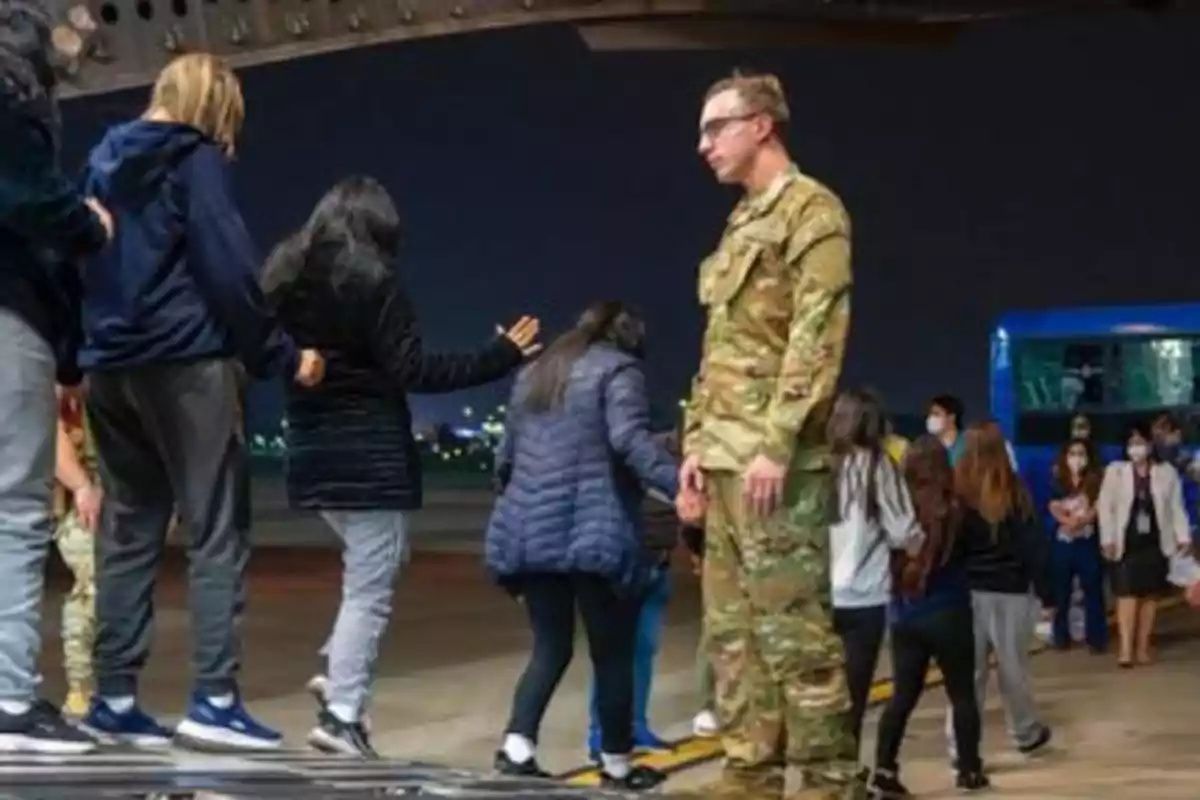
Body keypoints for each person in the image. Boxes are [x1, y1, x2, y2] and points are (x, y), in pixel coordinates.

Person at [76, 52, 324, 751]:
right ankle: (214, 699)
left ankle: (115, 698)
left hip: (109, 366)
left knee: (128, 529)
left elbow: (77, 254)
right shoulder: (194, 159)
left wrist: (82, 350)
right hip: (185, 363)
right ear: (213, 107)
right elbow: (229, 270)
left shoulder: (100, 163)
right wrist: (280, 355)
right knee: (217, 529)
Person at [261, 176, 539, 757]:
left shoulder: (284, 274)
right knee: (372, 584)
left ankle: (339, 670)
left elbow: (262, 349)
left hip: (311, 454)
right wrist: (500, 357)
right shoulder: (374, 281)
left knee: (379, 559)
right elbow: (416, 371)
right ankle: (343, 714)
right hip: (368, 455)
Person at [677, 70, 860, 799]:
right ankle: (748, 775)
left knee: (797, 637)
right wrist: (694, 444)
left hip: (771, 465)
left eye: (714, 128)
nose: (703, 146)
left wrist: (778, 441)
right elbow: (720, 348)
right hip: (724, 458)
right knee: (734, 637)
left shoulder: (812, 211)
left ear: (761, 126)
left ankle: (825, 782)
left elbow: (816, 340)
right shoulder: (741, 222)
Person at [486, 302, 676, 792]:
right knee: (612, 655)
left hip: (529, 533)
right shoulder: (620, 371)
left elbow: (505, 458)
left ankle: (517, 746)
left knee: (550, 646)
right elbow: (630, 441)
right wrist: (682, 486)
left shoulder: (535, 373)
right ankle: (616, 765)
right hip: (596, 535)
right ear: (627, 337)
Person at [0, 0, 115, 753]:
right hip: (8, 310)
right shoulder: (9, 100)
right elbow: (29, 197)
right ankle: (10, 701)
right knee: (14, 507)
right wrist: (89, 223)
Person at [869, 435, 988, 796]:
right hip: (950, 610)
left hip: (905, 614)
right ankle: (968, 770)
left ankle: (885, 768)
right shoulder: (960, 509)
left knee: (903, 696)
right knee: (962, 694)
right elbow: (981, 547)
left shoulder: (896, 511)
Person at [946, 421, 1053, 765]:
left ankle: (959, 746)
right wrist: (1049, 595)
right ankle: (1025, 733)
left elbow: (950, 550)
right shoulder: (1015, 493)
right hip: (1011, 593)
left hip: (967, 595)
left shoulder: (957, 495)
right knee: (1013, 670)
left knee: (968, 677)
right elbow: (1034, 549)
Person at [826, 388, 922, 756]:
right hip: (863, 596)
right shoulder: (877, 465)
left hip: (818, 596)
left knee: (816, 697)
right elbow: (902, 531)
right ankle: (844, 771)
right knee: (854, 694)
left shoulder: (818, 464)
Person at [585, 427, 679, 759]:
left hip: (658, 564)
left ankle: (636, 724)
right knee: (615, 654)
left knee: (644, 650)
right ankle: (602, 731)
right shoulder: (645, 457)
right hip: (628, 565)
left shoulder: (689, 461)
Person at [1097, 423, 1190, 667]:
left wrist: (1183, 536)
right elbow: (1105, 507)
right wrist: (1107, 538)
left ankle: (1142, 647)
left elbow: (1176, 507)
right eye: (1131, 443)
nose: (1136, 448)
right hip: (1125, 541)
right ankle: (1126, 649)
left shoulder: (1166, 471)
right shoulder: (1115, 471)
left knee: (1149, 595)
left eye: (1140, 442)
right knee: (1126, 594)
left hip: (1155, 542)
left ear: (1150, 445)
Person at [53, 386, 103, 718]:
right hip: (79, 498)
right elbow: (52, 432)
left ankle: (102, 688)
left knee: (107, 591)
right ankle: (81, 686)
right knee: (91, 587)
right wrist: (82, 486)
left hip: (115, 490)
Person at [1047, 438, 1107, 653]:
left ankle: (1096, 639)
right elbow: (1052, 505)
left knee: (1092, 589)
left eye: (1081, 453)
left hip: (1087, 541)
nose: (1076, 458)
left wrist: (1083, 520)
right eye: (1072, 453)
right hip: (1063, 542)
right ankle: (1061, 638)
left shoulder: (1097, 479)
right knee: (1061, 591)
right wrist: (1067, 521)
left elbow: (1099, 505)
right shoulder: (1057, 478)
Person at [926, 394, 966, 464]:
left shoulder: (967, 443)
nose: (931, 418)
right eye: (930, 414)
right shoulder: (927, 447)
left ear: (951, 417)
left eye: (936, 414)